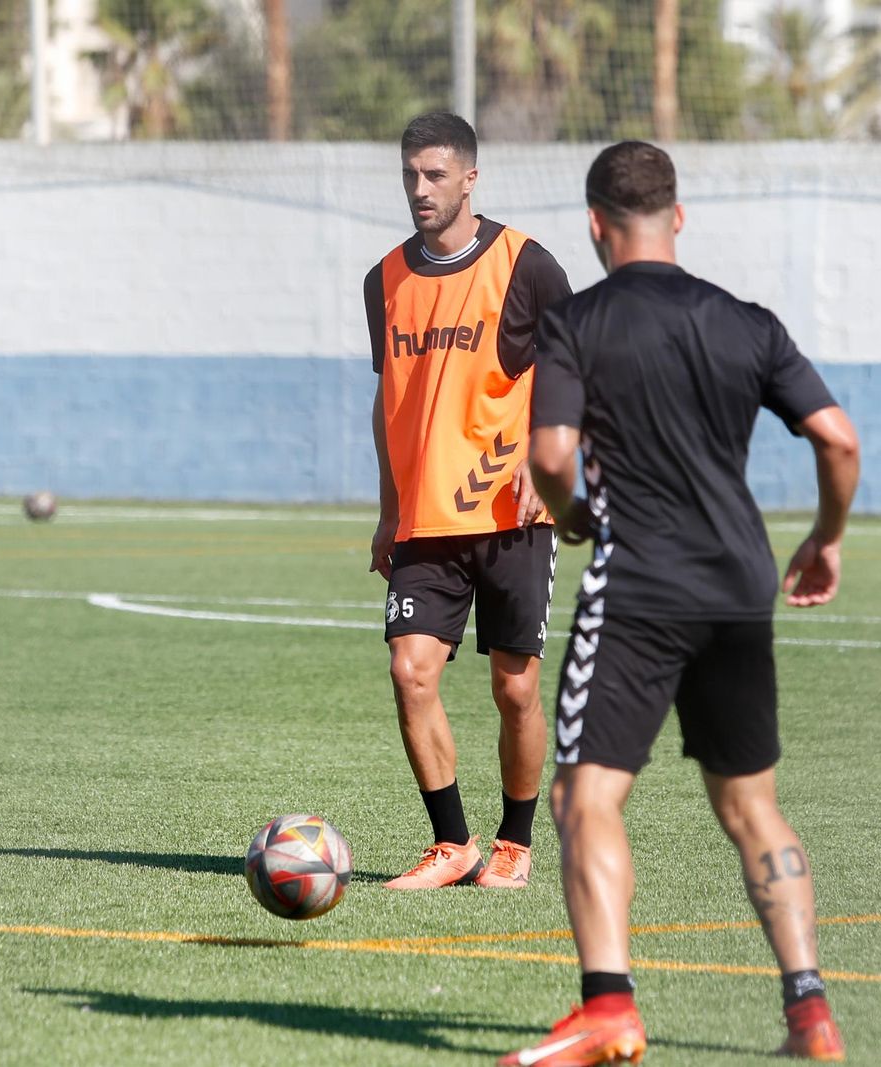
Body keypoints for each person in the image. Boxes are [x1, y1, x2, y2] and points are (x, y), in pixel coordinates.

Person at [501, 141, 861, 1065]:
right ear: (679, 217)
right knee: (751, 805)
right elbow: (838, 439)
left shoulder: (576, 322)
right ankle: (810, 1013)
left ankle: (609, 1006)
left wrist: (572, 515)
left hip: (640, 585)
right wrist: (825, 537)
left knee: (586, 795)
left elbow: (550, 455)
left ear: (595, 224)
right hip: (739, 584)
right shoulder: (748, 322)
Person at [365, 112, 573, 890]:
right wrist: (389, 509)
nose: (420, 189)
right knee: (410, 671)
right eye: (410, 175)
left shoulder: (527, 265)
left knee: (515, 687)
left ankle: (515, 842)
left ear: (470, 178)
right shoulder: (384, 279)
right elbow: (387, 398)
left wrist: (543, 459)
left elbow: (576, 369)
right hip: (425, 519)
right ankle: (452, 843)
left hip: (512, 514)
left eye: (436, 175)